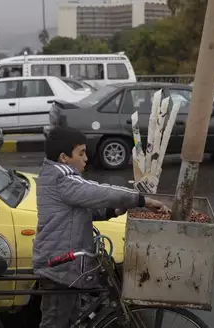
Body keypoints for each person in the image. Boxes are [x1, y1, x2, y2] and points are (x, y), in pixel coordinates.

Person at [33, 126, 169, 328]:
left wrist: (111, 212)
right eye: (81, 153)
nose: (86, 158)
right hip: (60, 267)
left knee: (71, 320)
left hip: (65, 264)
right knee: (56, 322)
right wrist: (141, 200)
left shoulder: (58, 177)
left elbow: (80, 212)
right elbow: (101, 192)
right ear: (64, 157)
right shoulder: (61, 179)